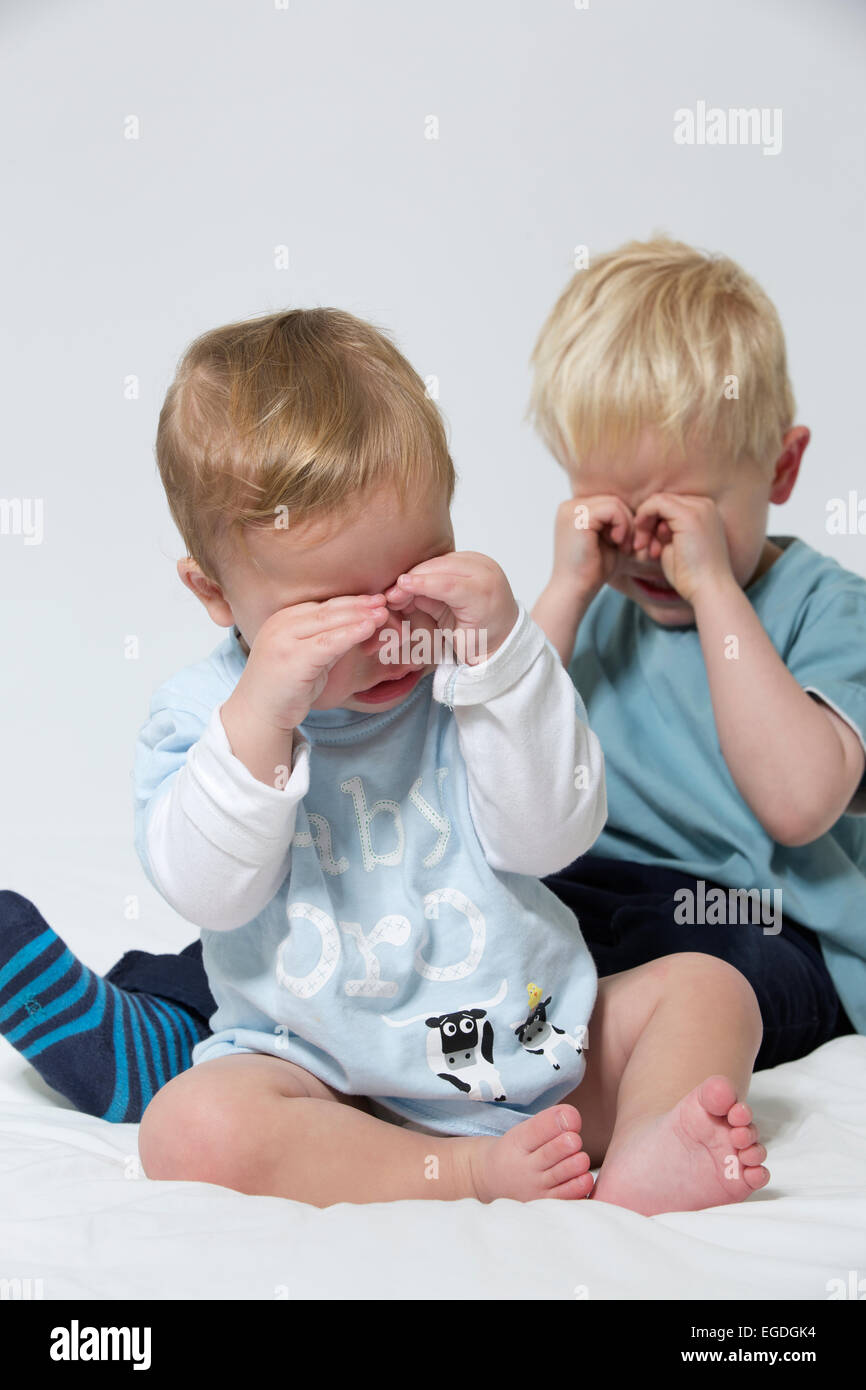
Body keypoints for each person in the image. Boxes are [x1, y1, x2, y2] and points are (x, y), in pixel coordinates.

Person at [1, 306, 768, 1213]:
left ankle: (646, 1149)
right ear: (214, 593)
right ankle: (456, 1174)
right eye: (332, 611)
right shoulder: (203, 716)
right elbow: (209, 891)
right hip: (325, 1084)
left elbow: (552, 837)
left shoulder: (468, 670)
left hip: (526, 1053)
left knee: (714, 990)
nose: (390, 633)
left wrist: (506, 658)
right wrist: (263, 716)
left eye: (419, 572)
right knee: (191, 1127)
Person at [528, 237, 865, 1070]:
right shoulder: (595, 607)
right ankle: (176, 1013)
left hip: (765, 926)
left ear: (782, 468)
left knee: (690, 966)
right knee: (436, 915)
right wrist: (565, 593)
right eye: (614, 510)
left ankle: (588, 1079)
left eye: (685, 513)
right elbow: (475, 762)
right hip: (594, 894)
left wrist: (716, 586)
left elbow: (797, 804)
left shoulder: (829, 610)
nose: (649, 550)